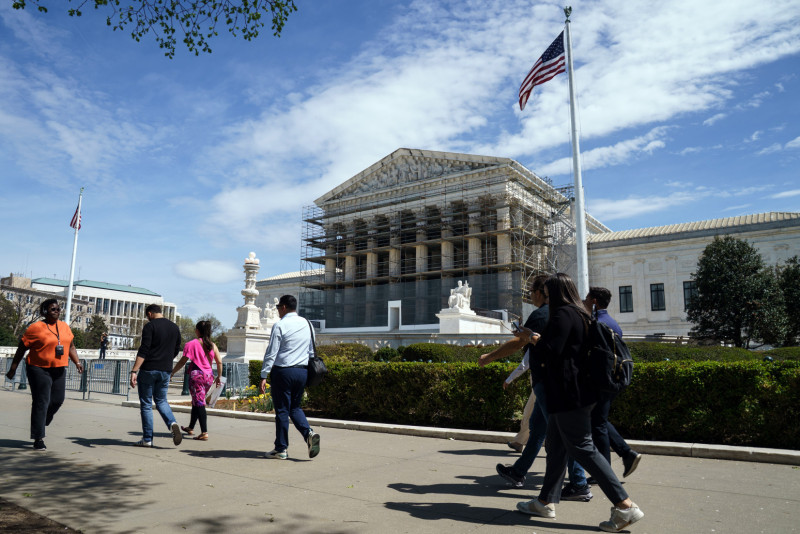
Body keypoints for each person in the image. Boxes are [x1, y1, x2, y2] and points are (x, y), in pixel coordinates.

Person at [515, 273, 644, 533]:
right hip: (577, 392)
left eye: (548, 294)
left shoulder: (563, 315)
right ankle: (544, 502)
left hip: (568, 394)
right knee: (555, 447)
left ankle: (625, 505)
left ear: (556, 293)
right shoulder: (581, 314)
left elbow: (552, 352)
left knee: (583, 448)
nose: (546, 299)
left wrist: (531, 338)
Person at [480, 275, 591, 500]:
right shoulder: (576, 313)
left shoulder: (545, 314)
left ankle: (577, 485)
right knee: (538, 428)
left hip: (548, 382)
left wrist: (490, 356)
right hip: (560, 382)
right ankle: (519, 472)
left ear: (543, 293)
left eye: (532, 292)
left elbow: (522, 343)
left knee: (563, 435)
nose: (531, 296)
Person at [5, 298, 84, 451]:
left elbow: (71, 347)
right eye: (53, 309)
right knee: (41, 401)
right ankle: (38, 438)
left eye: (58, 309)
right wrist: (13, 368)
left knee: (58, 400)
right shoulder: (35, 328)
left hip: (59, 368)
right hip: (38, 368)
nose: (57, 311)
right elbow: (21, 349)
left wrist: (77, 362)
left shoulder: (64, 327)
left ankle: (43, 419)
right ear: (45, 311)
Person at [581, 287, 642, 480]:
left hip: (601, 380)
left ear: (594, 301)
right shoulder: (613, 323)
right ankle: (625, 454)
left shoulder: (596, 323)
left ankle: (605, 470)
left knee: (597, 423)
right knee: (598, 419)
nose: (584, 301)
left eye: (587, 298)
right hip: (614, 379)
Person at [259, 295, 320, 460]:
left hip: (283, 372)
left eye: (278, 307)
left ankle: (281, 448)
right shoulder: (307, 324)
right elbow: (311, 351)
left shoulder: (280, 325)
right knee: (295, 407)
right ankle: (309, 433)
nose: (278, 311)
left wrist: (263, 375)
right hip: (302, 372)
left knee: (282, 410)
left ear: (284, 307)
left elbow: (271, 352)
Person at [129, 304, 183, 448]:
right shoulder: (174, 327)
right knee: (161, 400)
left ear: (150, 313)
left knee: (146, 404)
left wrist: (134, 371)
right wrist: (165, 360)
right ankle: (172, 423)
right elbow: (176, 349)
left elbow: (144, 349)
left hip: (149, 369)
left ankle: (147, 439)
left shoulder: (150, 326)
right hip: (165, 369)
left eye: (147, 316)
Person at [170, 320, 223, 441]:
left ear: (197, 331)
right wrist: (219, 377)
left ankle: (204, 432)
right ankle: (191, 427)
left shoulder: (191, 344)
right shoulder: (212, 345)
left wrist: (173, 372)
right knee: (197, 400)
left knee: (199, 403)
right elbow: (219, 362)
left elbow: (183, 361)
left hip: (197, 376)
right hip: (208, 377)